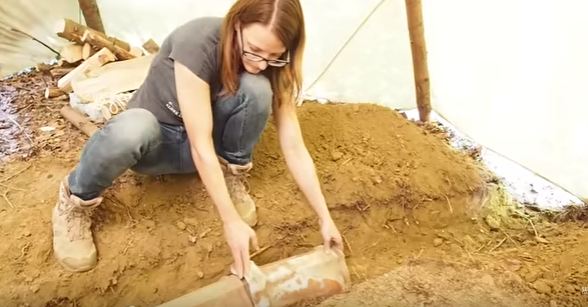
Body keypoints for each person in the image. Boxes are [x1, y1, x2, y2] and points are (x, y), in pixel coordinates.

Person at [52, 0, 343, 278]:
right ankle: (75, 200)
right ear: (237, 24)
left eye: (273, 56)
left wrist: (324, 217)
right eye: (253, 50)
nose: (261, 64)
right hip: (159, 145)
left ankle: (232, 173)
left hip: (207, 153)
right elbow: (199, 142)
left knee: (257, 88)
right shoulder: (199, 41)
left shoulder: (274, 64)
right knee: (132, 128)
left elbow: (293, 144)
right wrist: (230, 221)